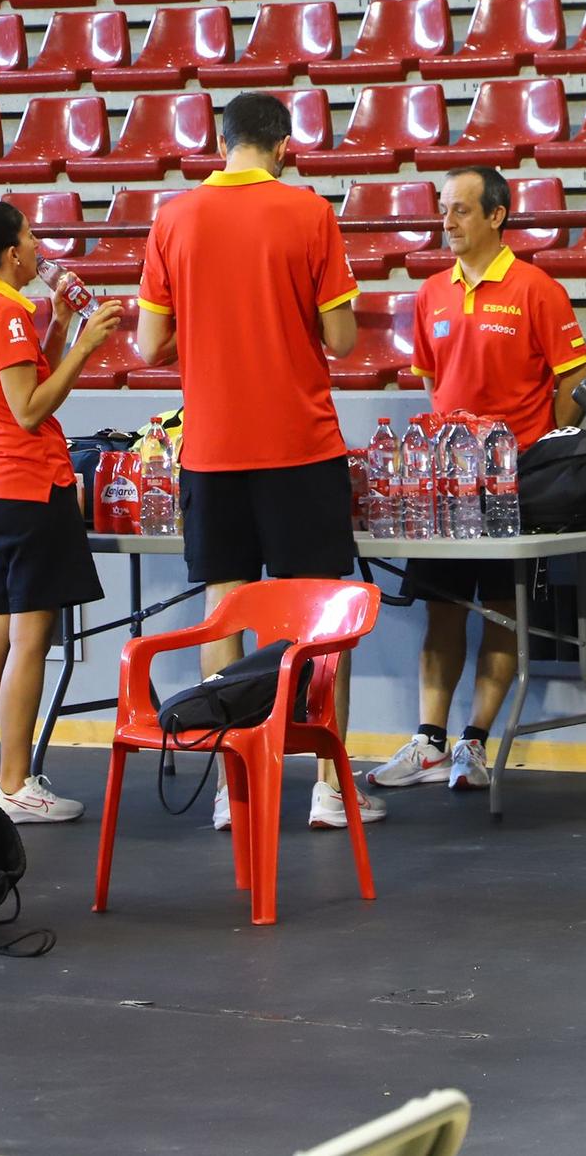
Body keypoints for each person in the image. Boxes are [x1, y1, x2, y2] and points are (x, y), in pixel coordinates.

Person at [134, 92, 385, 830]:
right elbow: (340, 339)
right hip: (299, 443)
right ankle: (330, 792)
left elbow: (150, 346)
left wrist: (213, 327)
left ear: (224, 142)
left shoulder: (173, 218)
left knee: (226, 612)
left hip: (212, 449)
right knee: (318, 618)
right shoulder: (309, 212)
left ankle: (232, 788)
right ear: (282, 146)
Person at [366, 166, 586, 796]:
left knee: (500, 614)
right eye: (444, 209)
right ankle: (428, 741)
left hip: (511, 487)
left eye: (461, 210)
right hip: (445, 490)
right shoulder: (431, 292)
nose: (447, 221)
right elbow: (432, 382)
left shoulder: (535, 288)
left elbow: (575, 379)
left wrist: (536, 449)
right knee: (441, 612)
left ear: (496, 216)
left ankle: (475, 741)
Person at [0, 202, 125, 824]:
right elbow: (29, 408)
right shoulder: (6, 312)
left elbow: (19, 379)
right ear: (11, 254)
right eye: (29, 237)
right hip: (29, 487)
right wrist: (86, 346)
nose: (38, 246)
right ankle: (18, 783)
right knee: (28, 642)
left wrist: (60, 326)